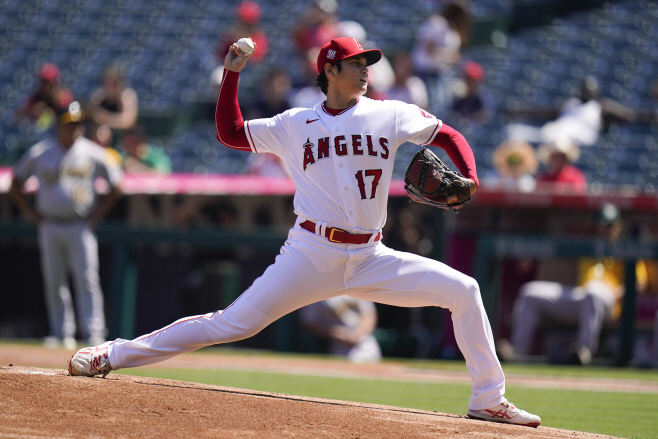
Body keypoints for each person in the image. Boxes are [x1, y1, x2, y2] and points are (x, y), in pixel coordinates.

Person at [69, 37, 541, 428]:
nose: (365, 71)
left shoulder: (389, 113)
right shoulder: (296, 123)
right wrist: (232, 73)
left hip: (371, 256)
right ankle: (113, 353)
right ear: (331, 69)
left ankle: (488, 398)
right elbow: (230, 133)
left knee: (464, 289)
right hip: (310, 252)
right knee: (231, 324)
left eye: (367, 64)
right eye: (357, 63)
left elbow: (448, 136)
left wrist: (471, 175)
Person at [10, 102, 123, 349]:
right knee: (54, 280)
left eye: (78, 124)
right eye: (69, 124)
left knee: (87, 278)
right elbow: (15, 182)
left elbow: (118, 184)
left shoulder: (93, 152)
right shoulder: (41, 152)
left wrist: (98, 214)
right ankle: (61, 332)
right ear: (59, 126)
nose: (74, 129)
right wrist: (29, 213)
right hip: (49, 224)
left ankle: (94, 333)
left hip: (80, 225)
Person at [501, 203, 649, 365]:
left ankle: (584, 351)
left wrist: (617, 293)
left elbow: (640, 283)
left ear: (618, 226)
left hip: (608, 302)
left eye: (609, 225)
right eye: (601, 225)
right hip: (582, 296)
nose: (605, 229)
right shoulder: (587, 245)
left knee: (594, 293)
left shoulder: (624, 248)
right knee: (529, 292)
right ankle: (517, 350)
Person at [506, 75, 636, 147]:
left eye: (591, 89)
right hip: (558, 134)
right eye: (585, 88)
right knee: (517, 132)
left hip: (583, 137)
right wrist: (520, 112)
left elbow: (628, 116)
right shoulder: (570, 103)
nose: (587, 91)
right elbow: (546, 113)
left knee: (558, 133)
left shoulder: (601, 106)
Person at [411, 0, 471, 114]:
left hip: (441, 73)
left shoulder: (451, 27)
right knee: (429, 108)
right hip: (425, 72)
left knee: (441, 108)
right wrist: (449, 56)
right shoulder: (437, 22)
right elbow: (428, 48)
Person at [299, 296, 382, 363]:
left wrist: (359, 333)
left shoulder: (356, 284)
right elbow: (309, 322)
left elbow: (369, 314)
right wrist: (333, 333)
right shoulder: (318, 293)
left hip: (365, 343)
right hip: (339, 346)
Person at [14, 63, 73, 131]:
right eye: (41, 81)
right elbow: (17, 118)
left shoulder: (64, 98)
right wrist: (31, 113)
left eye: (46, 82)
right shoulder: (36, 97)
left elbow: (69, 121)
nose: (43, 85)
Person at [87, 64, 138, 138]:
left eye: (113, 83)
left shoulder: (126, 95)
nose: (108, 87)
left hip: (122, 140)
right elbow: (90, 113)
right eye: (106, 83)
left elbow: (128, 122)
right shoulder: (99, 96)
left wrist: (107, 119)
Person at [215, 1, 268, 65]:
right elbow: (221, 57)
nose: (245, 26)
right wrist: (233, 41)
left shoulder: (259, 37)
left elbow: (257, 61)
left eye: (249, 24)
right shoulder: (230, 36)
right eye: (243, 22)